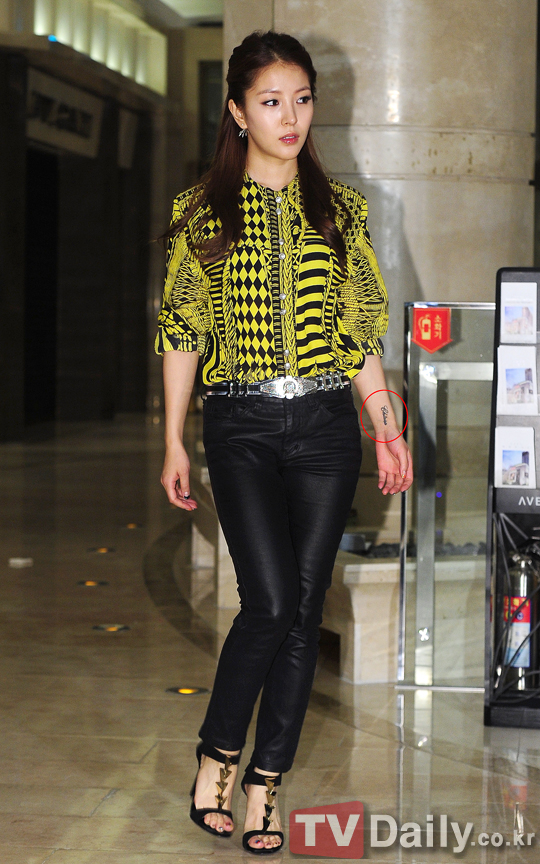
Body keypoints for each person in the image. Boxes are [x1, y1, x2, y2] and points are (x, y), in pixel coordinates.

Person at [156, 30, 413, 855]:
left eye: (302, 99)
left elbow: (357, 331)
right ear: (238, 111)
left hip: (327, 429)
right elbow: (181, 330)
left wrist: (383, 424)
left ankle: (267, 781)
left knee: (303, 609)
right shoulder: (199, 212)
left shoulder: (342, 210)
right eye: (271, 101)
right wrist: (173, 439)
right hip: (240, 424)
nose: (290, 116)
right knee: (268, 601)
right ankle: (217, 755)